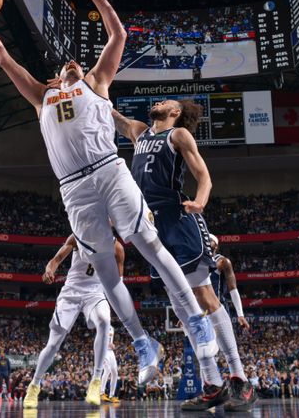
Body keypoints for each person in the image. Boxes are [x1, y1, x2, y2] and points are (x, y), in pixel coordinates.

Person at [0, 0, 217, 392]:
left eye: (75, 63)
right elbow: (5, 61)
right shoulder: (40, 96)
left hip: (107, 169)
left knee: (150, 246)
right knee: (105, 273)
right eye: (64, 65)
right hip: (73, 190)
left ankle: (196, 320)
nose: (70, 64)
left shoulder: (96, 82)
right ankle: (143, 342)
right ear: (53, 78)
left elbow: (118, 35)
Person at [114, 100, 255, 412]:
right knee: (180, 306)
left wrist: (201, 202)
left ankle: (240, 379)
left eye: (168, 102)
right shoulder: (139, 132)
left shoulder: (178, 136)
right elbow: (110, 114)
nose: (159, 102)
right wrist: (80, 87)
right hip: (151, 224)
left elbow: (204, 176)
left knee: (204, 296)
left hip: (179, 220)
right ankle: (213, 384)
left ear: (175, 113)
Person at [25, 234, 122, 408]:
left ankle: (96, 381)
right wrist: (50, 270)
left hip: (95, 293)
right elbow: (57, 259)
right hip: (71, 292)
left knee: (104, 321)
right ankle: (34, 384)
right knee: (53, 344)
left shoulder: (118, 248)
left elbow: (117, 282)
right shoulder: (79, 235)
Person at [100, 326, 119, 404]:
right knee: (107, 370)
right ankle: (101, 393)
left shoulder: (112, 328)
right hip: (103, 350)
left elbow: (110, 340)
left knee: (115, 373)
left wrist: (112, 345)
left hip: (110, 352)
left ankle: (112, 396)